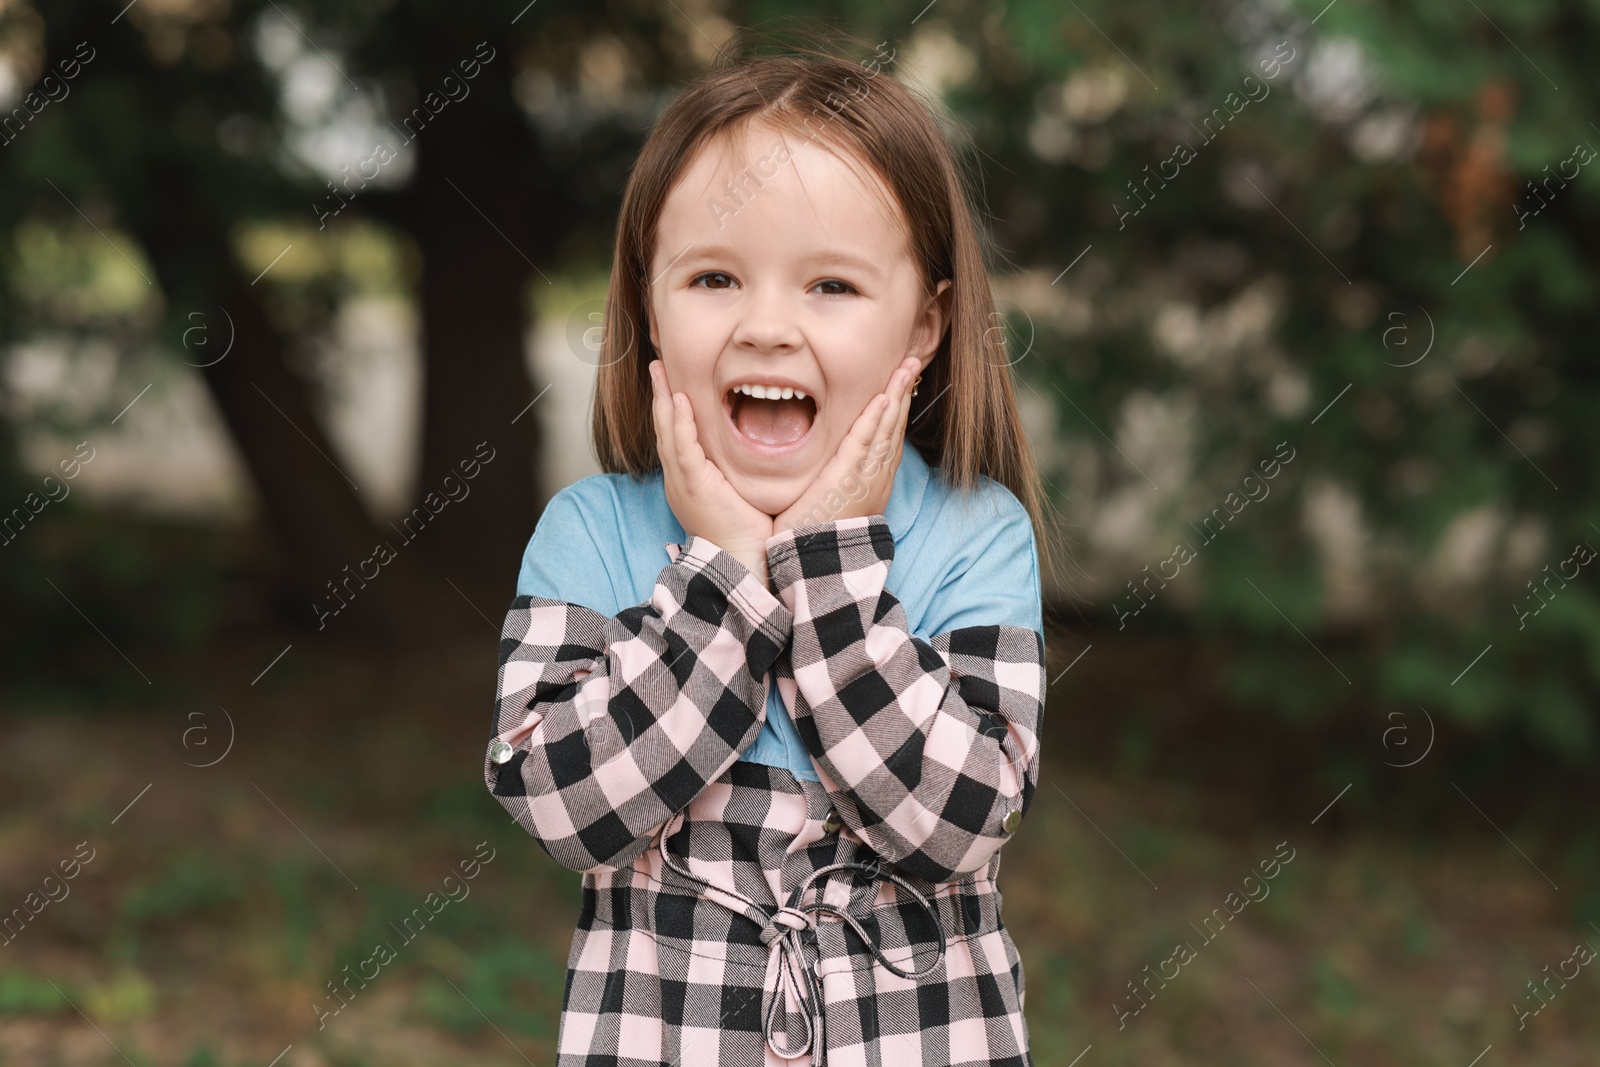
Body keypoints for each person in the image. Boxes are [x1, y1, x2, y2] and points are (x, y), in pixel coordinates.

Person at [484, 43, 1050, 1067]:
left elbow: (955, 826)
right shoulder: (590, 531)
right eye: (713, 277)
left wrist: (827, 569)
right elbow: (565, 807)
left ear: (923, 324)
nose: (766, 327)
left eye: (830, 284)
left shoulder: (977, 532)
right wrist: (725, 576)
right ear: (648, 305)